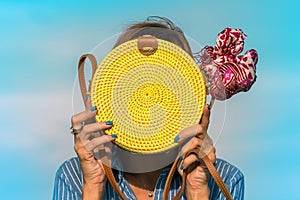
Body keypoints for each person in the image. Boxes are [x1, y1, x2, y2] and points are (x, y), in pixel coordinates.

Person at [52, 16, 245, 200]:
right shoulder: (75, 176)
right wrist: (93, 186)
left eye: (167, 82)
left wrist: (197, 191)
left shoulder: (226, 180)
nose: (149, 95)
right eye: (132, 81)